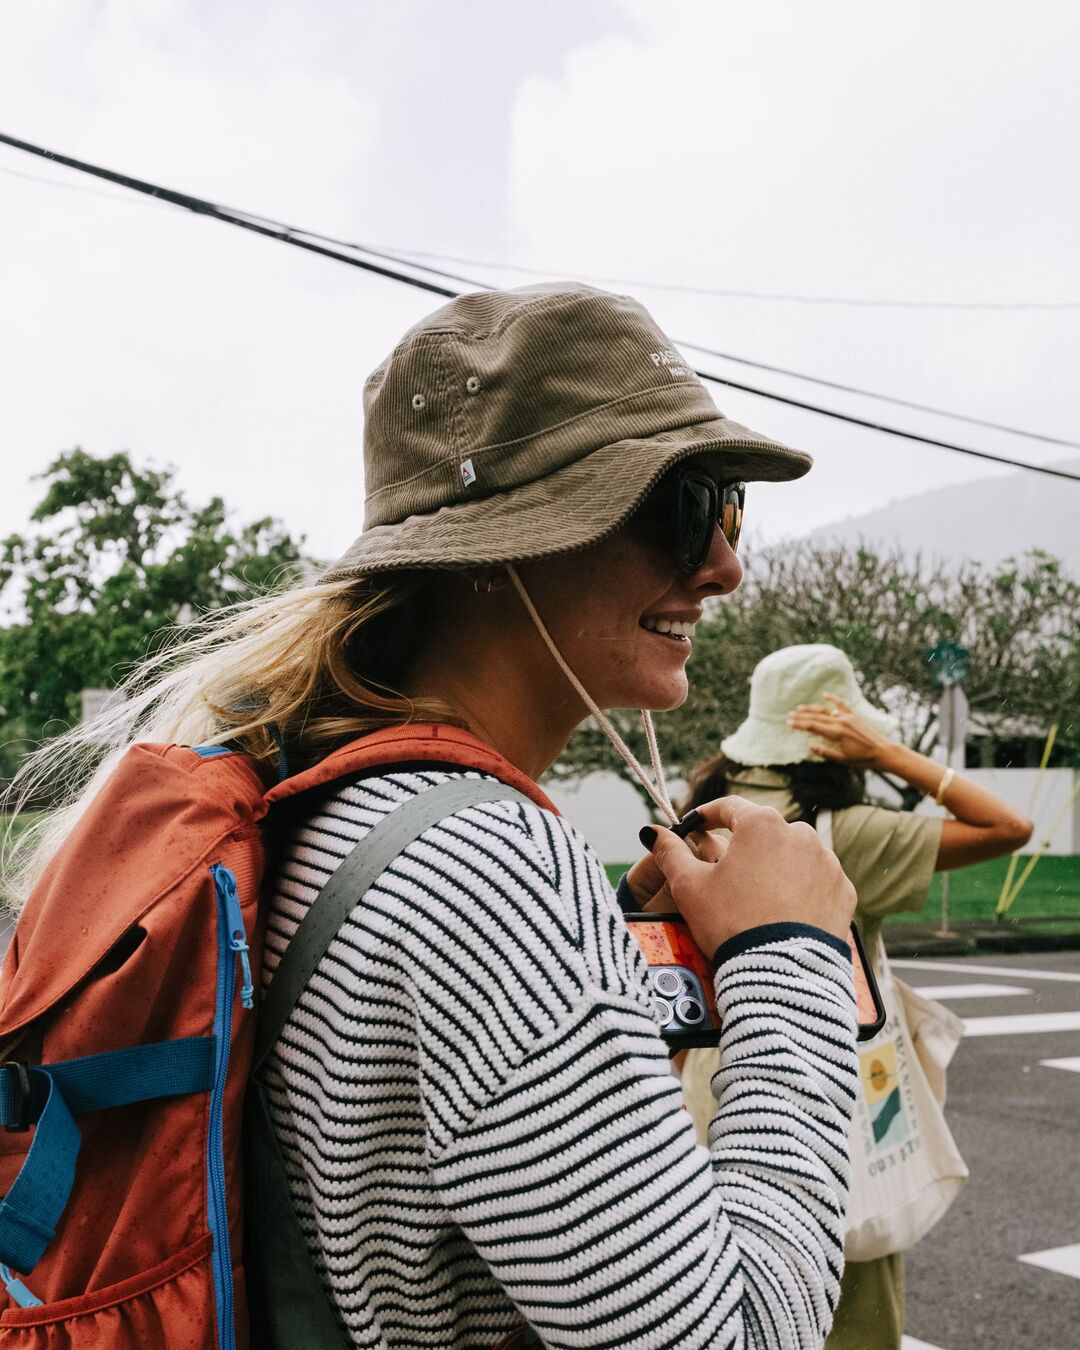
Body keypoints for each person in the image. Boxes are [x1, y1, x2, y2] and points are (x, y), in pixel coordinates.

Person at [8, 285, 861, 1349]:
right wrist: (795, 957)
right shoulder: (486, 869)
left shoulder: (323, 798)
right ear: (503, 547)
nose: (724, 566)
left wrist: (609, 965)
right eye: (682, 508)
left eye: (731, 511)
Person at [679, 642, 1033, 1350]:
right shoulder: (841, 833)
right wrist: (893, 756)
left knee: (735, 1294)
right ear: (839, 739)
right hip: (824, 1088)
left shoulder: (709, 811)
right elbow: (1008, 827)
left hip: (705, 1090)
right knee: (844, 1294)